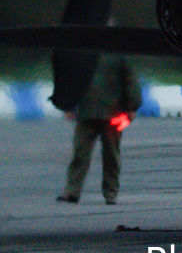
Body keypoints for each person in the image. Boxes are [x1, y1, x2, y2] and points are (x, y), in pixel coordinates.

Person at [57, 54, 142, 205]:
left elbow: (130, 80)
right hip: (86, 113)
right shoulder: (82, 55)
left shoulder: (118, 56)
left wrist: (132, 106)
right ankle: (72, 191)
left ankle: (111, 192)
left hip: (113, 113)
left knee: (111, 155)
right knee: (80, 153)